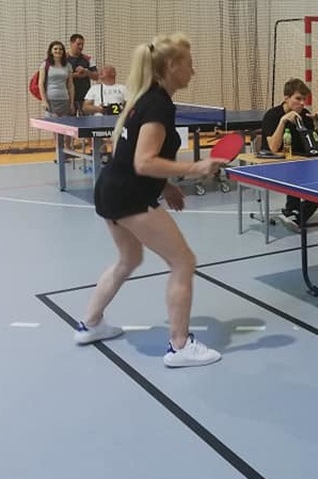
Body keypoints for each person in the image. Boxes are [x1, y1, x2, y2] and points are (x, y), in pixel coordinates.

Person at [74, 33, 227, 368]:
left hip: (111, 189)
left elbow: (132, 155)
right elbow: (144, 162)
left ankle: (91, 323)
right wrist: (195, 167)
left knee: (128, 260)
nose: (193, 71)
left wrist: (166, 184)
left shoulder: (145, 98)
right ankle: (179, 346)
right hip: (129, 195)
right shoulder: (159, 105)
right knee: (183, 261)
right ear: (171, 66)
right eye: (189, 63)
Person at [261, 77, 318, 230]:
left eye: (304, 99)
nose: (302, 103)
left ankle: (293, 215)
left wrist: (317, 123)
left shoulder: (304, 115)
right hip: (272, 165)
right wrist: (283, 121)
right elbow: (273, 148)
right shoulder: (272, 115)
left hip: (297, 163)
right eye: (298, 99)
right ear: (286, 98)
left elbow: (313, 145)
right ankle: (294, 214)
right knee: (295, 173)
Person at [38, 40, 74, 117]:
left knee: (65, 123)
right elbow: (40, 84)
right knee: (51, 123)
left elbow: (70, 85)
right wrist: (44, 101)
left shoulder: (68, 65)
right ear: (51, 51)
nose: (58, 51)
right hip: (50, 100)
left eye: (60, 49)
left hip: (65, 99)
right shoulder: (45, 64)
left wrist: (71, 103)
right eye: (55, 49)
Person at [66, 33, 97, 116]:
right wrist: (75, 75)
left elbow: (96, 76)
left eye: (82, 44)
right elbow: (59, 77)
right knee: (68, 122)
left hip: (84, 97)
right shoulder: (63, 59)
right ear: (71, 43)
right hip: (68, 97)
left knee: (86, 121)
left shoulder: (88, 59)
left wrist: (87, 72)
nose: (81, 47)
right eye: (78, 44)